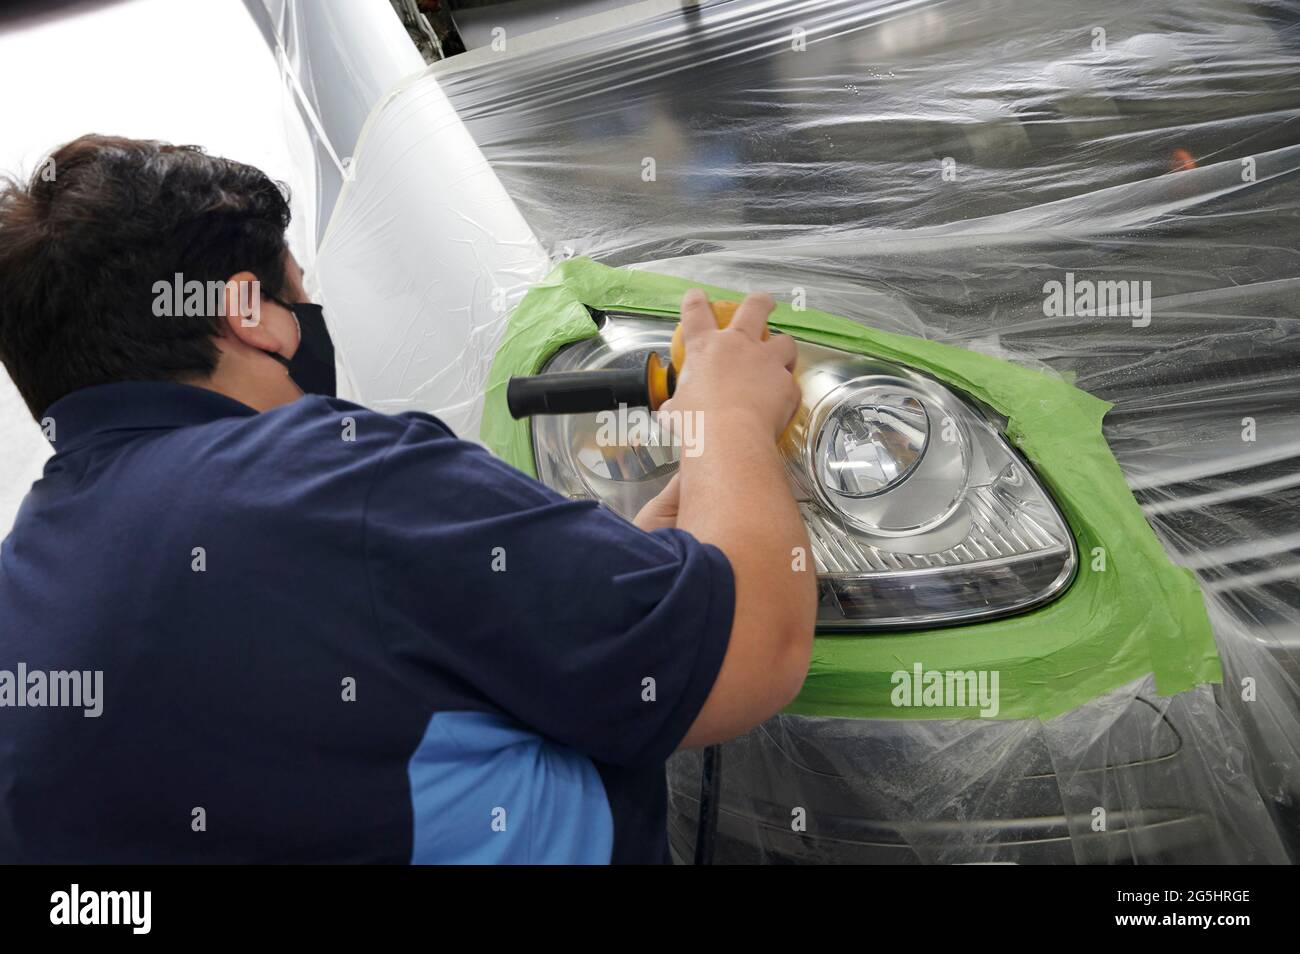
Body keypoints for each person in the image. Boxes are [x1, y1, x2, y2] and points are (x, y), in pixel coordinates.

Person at [0, 134, 815, 864]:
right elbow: (751, 651)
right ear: (250, 317)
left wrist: (629, 573)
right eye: (299, 289)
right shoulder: (331, 473)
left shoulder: (27, 581)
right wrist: (730, 417)